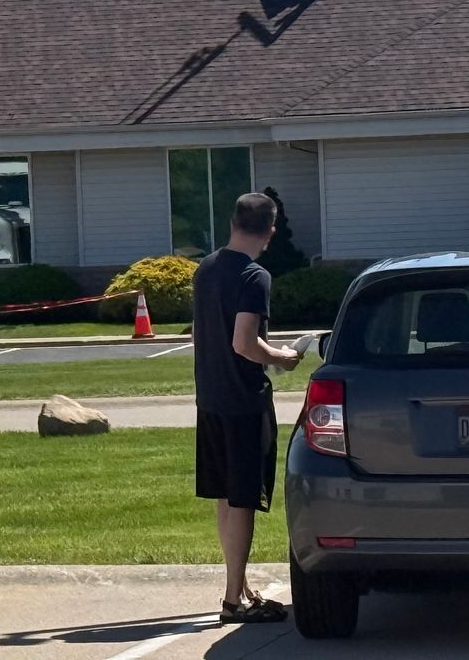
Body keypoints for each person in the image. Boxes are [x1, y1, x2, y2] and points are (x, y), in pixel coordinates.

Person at [193, 192, 301, 625]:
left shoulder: (206, 268)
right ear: (270, 232)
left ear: (233, 221)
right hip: (242, 401)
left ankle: (236, 586)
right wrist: (283, 356)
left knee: (226, 496)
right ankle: (233, 602)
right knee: (243, 499)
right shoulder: (254, 276)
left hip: (212, 398)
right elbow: (243, 343)